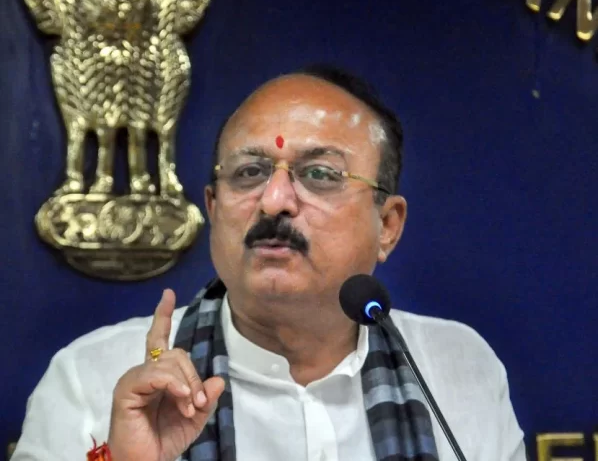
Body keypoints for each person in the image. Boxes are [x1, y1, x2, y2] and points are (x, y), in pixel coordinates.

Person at [11, 65, 527, 461]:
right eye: (250, 172)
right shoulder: (94, 379)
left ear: (387, 225)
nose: (274, 200)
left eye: (320, 174)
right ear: (214, 208)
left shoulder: (458, 369)